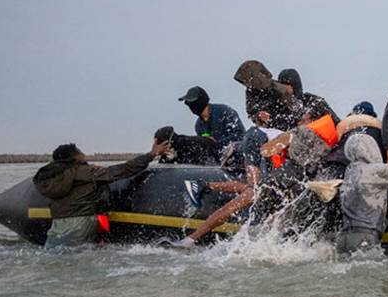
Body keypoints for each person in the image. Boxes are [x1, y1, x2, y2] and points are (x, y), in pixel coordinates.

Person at [171, 105, 283, 247]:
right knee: (253, 192)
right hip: (254, 140)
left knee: (254, 190)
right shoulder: (296, 136)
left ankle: (204, 185)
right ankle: (191, 238)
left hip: (256, 143)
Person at [33, 139, 171, 247]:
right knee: (77, 258)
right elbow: (122, 170)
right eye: (80, 152)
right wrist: (151, 155)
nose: (84, 155)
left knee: (55, 253)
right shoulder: (82, 172)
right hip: (81, 222)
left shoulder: (52, 177)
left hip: (58, 222)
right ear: (75, 158)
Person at [233, 60, 303, 130]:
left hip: (289, 124)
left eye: (250, 79)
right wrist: (259, 116)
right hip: (269, 128)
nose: (248, 83)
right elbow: (252, 111)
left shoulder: (276, 88)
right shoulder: (251, 92)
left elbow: (296, 108)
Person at [178, 86, 245, 151]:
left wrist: (216, 143)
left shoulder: (225, 112)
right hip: (216, 157)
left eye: (192, 102)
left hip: (236, 154)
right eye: (188, 103)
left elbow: (240, 135)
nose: (191, 106)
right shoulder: (199, 126)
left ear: (200, 101)